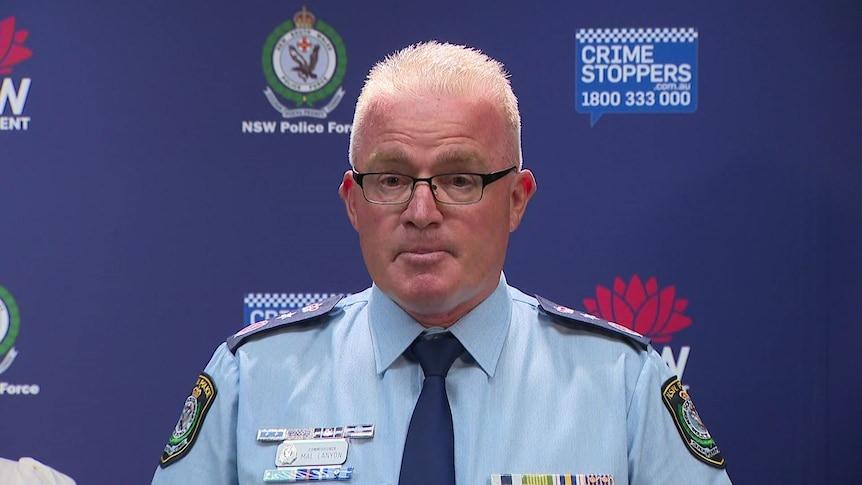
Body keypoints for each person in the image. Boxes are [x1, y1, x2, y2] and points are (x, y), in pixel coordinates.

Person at [151, 42, 732, 485]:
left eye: (459, 179)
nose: (422, 212)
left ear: (517, 200)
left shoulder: (622, 384)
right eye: (392, 179)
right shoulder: (252, 379)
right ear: (353, 202)